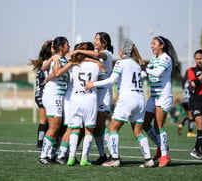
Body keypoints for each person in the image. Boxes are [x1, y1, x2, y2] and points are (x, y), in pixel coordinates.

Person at [85, 39, 154, 168]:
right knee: (138, 132)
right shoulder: (137, 64)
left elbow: (111, 81)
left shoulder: (121, 63)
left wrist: (92, 84)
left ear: (122, 50)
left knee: (112, 128)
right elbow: (144, 76)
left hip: (127, 99)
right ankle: (149, 159)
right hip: (140, 99)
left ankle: (115, 159)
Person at [74, 32, 113, 165]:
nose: (95, 41)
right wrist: (92, 59)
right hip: (94, 93)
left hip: (104, 94)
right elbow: (88, 58)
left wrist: (79, 50)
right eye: (94, 39)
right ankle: (102, 155)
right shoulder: (95, 56)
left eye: (98, 39)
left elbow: (97, 55)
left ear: (105, 43)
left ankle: (113, 154)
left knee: (101, 125)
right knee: (95, 126)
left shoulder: (107, 54)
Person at [143, 36, 180, 167]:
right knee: (145, 124)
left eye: (154, 44)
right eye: (151, 44)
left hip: (163, 96)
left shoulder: (166, 58)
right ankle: (161, 146)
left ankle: (165, 155)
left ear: (162, 46)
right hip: (153, 96)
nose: (151, 46)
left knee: (158, 125)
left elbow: (157, 73)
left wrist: (144, 68)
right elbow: (145, 74)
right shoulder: (154, 59)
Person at [38, 36, 74, 164]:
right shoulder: (57, 59)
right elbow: (57, 73)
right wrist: (70, 64)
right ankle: (43, 156)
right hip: (53, 95)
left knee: (57, 127)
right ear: (61, 47)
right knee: (54, 127)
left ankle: (51, 154)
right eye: (67, 44)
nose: (69, 46)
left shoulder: (62, 58)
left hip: (59, 96)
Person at [66, 42, 101, 167]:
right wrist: (94, 60)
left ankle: (71, 157)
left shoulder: (74, 63)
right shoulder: (96, 64)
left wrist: (79, 55)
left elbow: (66, 57)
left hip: (75, 98)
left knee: (75, 129)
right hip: (89, 98)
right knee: (88, 130)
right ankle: (84, 159)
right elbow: (104, 71)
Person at [28, 40, 53, 151]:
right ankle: (42, 144)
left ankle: (40, 143)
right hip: (44, 95)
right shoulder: (47, 63)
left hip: (39, 94)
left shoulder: (42, 61)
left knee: (44, 120)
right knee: (47, 120)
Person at [177, 70, 196, 138]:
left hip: (184, 101)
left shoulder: (184, 81)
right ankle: (190, 132)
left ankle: (181, 125)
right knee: (192, 117)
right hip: (189, 100)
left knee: (189, 116)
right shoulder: (191, 81)